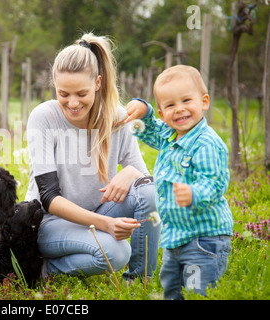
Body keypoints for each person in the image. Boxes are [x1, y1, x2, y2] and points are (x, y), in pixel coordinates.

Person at [25, 33, 159, 280]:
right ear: (55, 86)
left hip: (97, 214)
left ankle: (140, 281)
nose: (72, 103)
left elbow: (147, 186)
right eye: (63, 94)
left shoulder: (117, 118)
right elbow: (48, 198)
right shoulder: (43, 117)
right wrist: (106, 225)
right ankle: (43, 270)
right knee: (117, 252)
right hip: (49, 223)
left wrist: (132, 173)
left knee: (148, 193)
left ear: (97, 83)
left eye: (81, 94)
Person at [125, 65, 233, 299]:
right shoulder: (170, 135)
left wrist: (194, 193)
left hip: (204, 238)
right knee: (171, 290)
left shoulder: (206, 144)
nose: (180, 109)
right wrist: (144, 110)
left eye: (186, 100)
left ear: (204, 102)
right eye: (171, 105)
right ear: (163, 113)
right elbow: (151, 129)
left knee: (196, 290)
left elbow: (214, 182)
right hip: (176, 237)